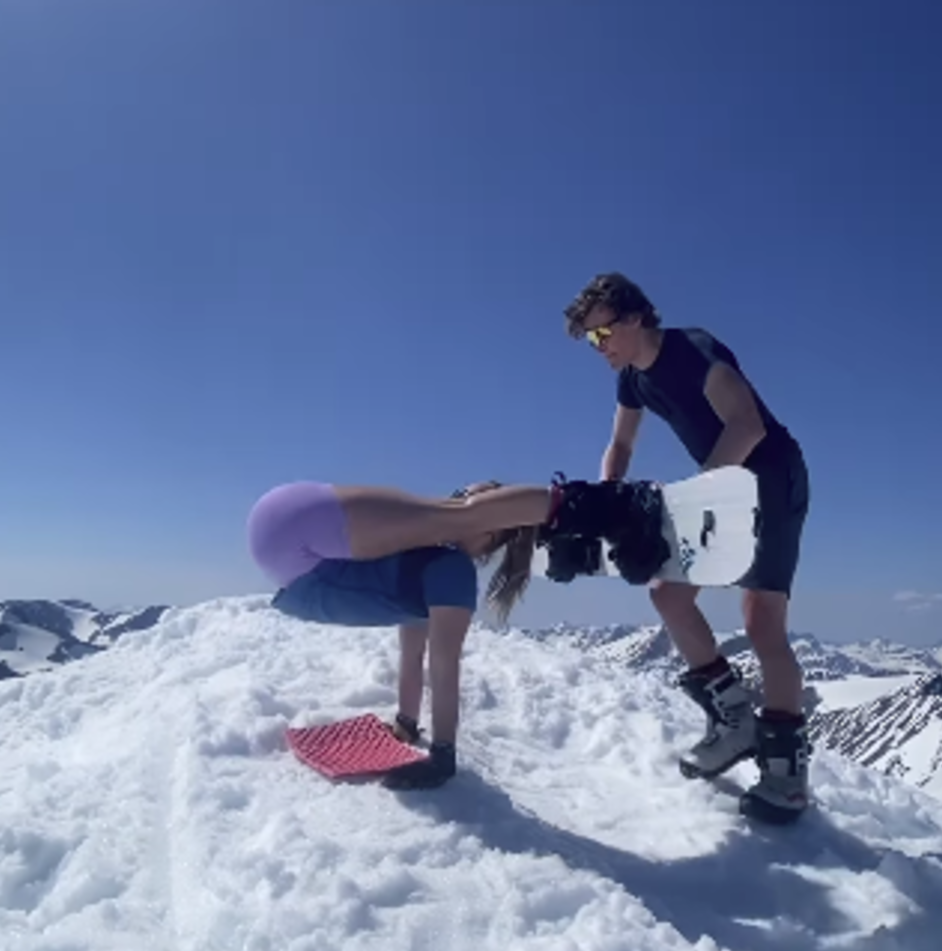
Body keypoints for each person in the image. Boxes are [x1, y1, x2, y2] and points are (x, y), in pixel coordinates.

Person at [563, 272, 811, 824]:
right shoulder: (632, 378)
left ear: (632, 318)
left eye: (601, 336)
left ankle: (787, 776)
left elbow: (745, 425)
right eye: (589, 341)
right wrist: (611, 504)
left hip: (770, 476)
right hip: (720, 485)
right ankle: (735, 721)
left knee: (761, 621)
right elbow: (621, 443)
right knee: (668, 596)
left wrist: (692, 501)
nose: (597, 349)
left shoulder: (693, 348)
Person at [246, 474, 665, 789]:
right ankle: (610, 508)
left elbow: (417, 656)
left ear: (491, 543)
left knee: (453, 516)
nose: (472, 500)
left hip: (291, 526)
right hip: (298, 537)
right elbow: (442, 666)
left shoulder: (429, 559)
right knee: (457, 516)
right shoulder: (447, 561)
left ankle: (597, 509)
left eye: (490, 514)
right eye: (472, 493)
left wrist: (409, 726)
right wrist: (441, 755)